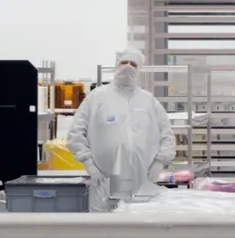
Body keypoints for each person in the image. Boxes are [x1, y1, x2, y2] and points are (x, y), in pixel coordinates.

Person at [67, 46, 177, 210]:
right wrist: (89, 165)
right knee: (104, 223)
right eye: (124, 62)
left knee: (137, 222)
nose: (128, 67)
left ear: (139, 69)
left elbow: (167, 135)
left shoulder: (148, 101)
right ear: (116, 65)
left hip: (142, 183)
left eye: (133, 64)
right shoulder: (97, 97)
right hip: (104, 182)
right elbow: (75, 134)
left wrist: (159, 162)